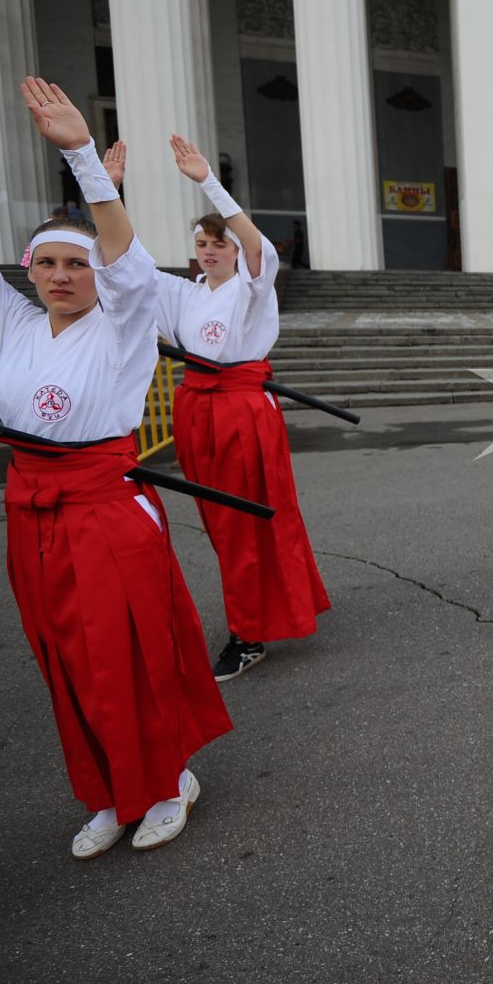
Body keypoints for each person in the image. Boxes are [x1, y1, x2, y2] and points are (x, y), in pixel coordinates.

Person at [0, 60, 231, 858]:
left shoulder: (124, 321)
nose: (60, 276)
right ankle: (110, 788)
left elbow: (124, 256)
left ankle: (164, 777)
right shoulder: (9, 323)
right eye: (46, 263)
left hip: (107, 509)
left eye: (75, 264)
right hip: (33, 515)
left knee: (129, 652)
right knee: (68, 659)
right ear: (29, 270)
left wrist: (84, 160)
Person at [103, 138, 331, 682]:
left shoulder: (251, 289)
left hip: (241, 412)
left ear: (235, 251)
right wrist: (105, 193)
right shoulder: (184, 293)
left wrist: (209, 181)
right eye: (203, 242)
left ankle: (249, 630)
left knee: (241, 521)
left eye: (219, 243)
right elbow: (126, 264)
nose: (209, 250)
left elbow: (257, 244)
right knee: (220, 523)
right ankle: (256, 613)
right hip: (196, 409)